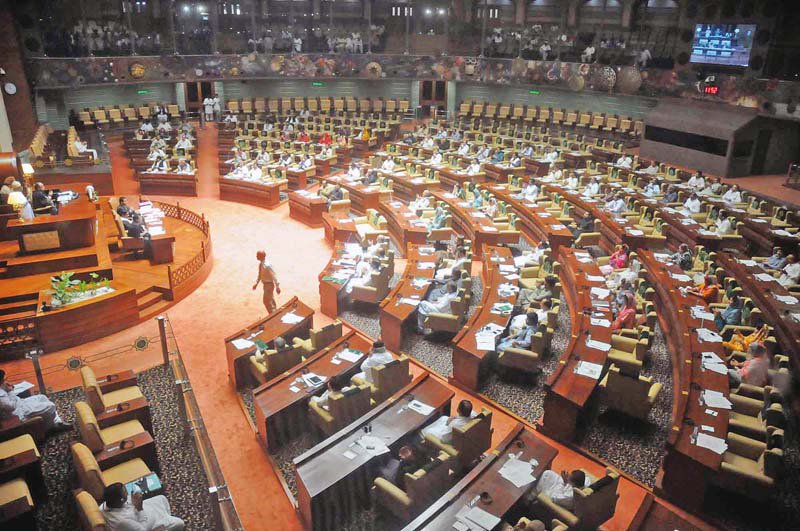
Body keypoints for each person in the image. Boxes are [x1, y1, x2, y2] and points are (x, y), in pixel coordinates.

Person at [0, 369, 71, 433]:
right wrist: (9, 391)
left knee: (42, 397)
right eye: (3, 379)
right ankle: (50, 428)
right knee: (51, 406)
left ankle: (57, 422)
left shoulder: (1, 387)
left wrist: (9, 390)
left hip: (20, 403)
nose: (5, 381)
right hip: (19, 413)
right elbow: (11, 407)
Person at [100, 482, 185, 531]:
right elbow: (143, 529)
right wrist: (139, 507)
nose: (128, 494)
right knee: (179, 523)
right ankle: (167, 519)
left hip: (140, 512)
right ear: (121, 500)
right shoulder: (122, 522)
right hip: (149, 523)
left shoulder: (105, 505)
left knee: (161, 498)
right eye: (126, 493)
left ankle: (167, 515)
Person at [253, 250, 281, 314]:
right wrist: (256, 283)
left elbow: (274, 275)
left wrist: (277, 286)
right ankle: (274, 313)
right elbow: (260, 274)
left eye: (257, 255)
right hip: (265, 285)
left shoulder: (267, 265)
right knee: (271, 300)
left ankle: (272, 314)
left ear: (261, 256)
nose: (256, 256)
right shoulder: (261, 264)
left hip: (269, 285)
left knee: (266, 301)